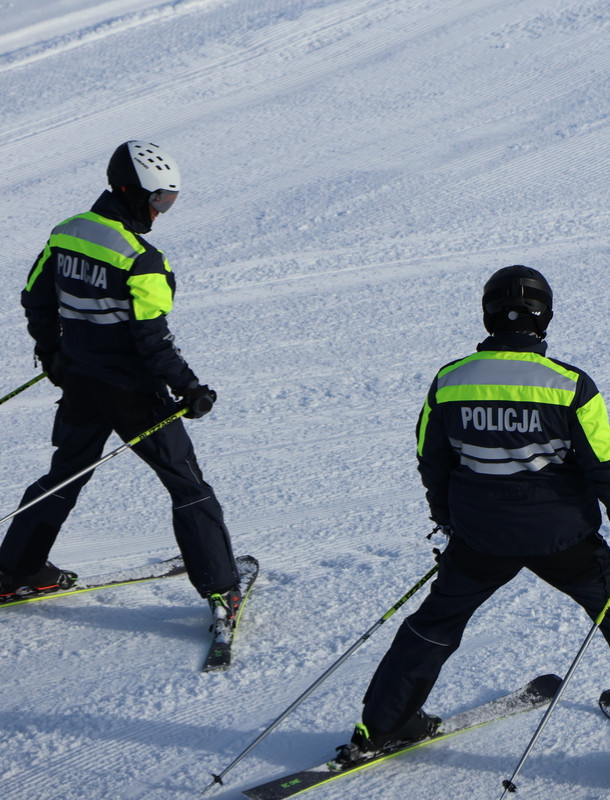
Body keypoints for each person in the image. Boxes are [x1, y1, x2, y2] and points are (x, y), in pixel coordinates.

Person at [335, 264, 610, 764]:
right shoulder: (571, 384)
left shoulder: (451, 380)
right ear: (544, 316)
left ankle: (382, 726)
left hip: (479, 537)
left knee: (436, 623)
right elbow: (604, 466)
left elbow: (432, 459)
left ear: (488, 316)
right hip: (563, 539)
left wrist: (448, 518)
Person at [0, 140, 244, 626]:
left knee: (65, 474)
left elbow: (35, 299)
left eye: (169, 201)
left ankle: (14, 570)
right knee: (187, 484)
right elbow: (152, 340)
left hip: (80, 383)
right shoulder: (142, 259)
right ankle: (221, 589)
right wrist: (189, 389)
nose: (161, 211)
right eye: (159, 200)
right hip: (133, 394)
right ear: (132, 192)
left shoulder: (67, 233)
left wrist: (52, 355)